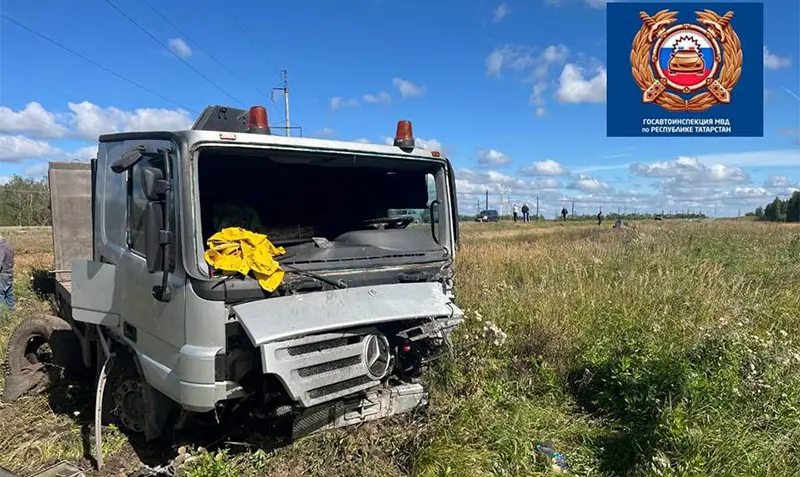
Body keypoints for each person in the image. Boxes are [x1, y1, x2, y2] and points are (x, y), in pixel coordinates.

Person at [0, 233, 15, 311]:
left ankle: (2, 315)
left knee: (0, 294)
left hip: (2, 274)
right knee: (9, 292)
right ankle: (11, 311)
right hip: (9, 272)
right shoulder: (9, 246)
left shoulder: (1, 247)